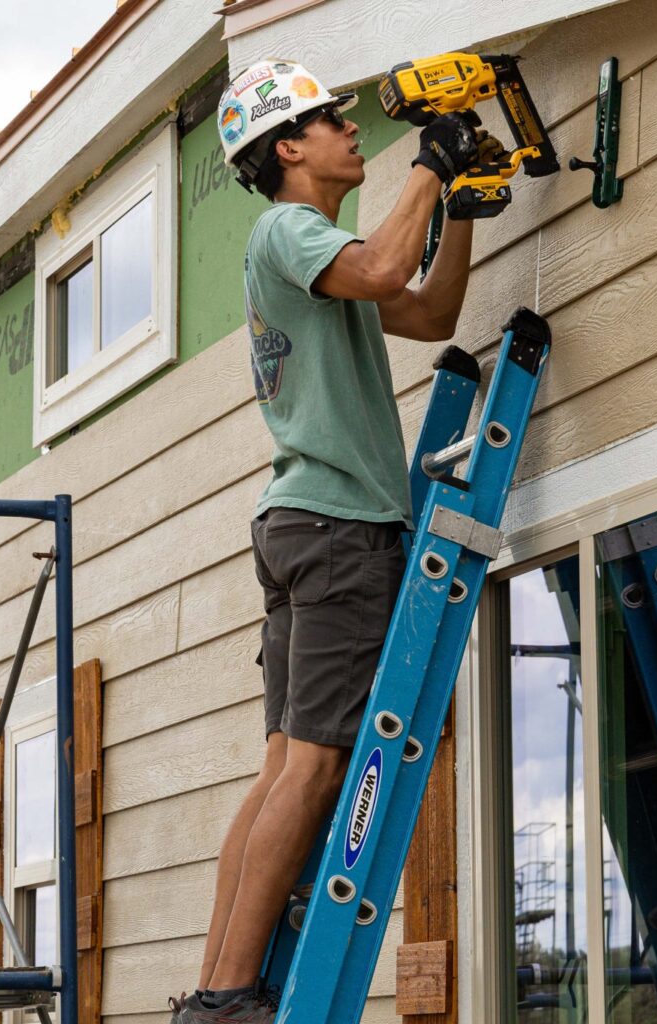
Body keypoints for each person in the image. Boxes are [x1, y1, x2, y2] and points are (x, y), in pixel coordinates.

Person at [169, 59, 482, 1023]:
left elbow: (426, 311)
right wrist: (432, 164)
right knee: (311, 770)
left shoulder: (320, 256)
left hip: (301, 522)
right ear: (286, 149)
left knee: (281, 768)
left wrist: (463, 202)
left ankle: (216, 989)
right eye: (328, 121)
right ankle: (229, 996)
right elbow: (391, 268)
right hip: (339, 528)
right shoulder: (290, 230)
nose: (352, 132)